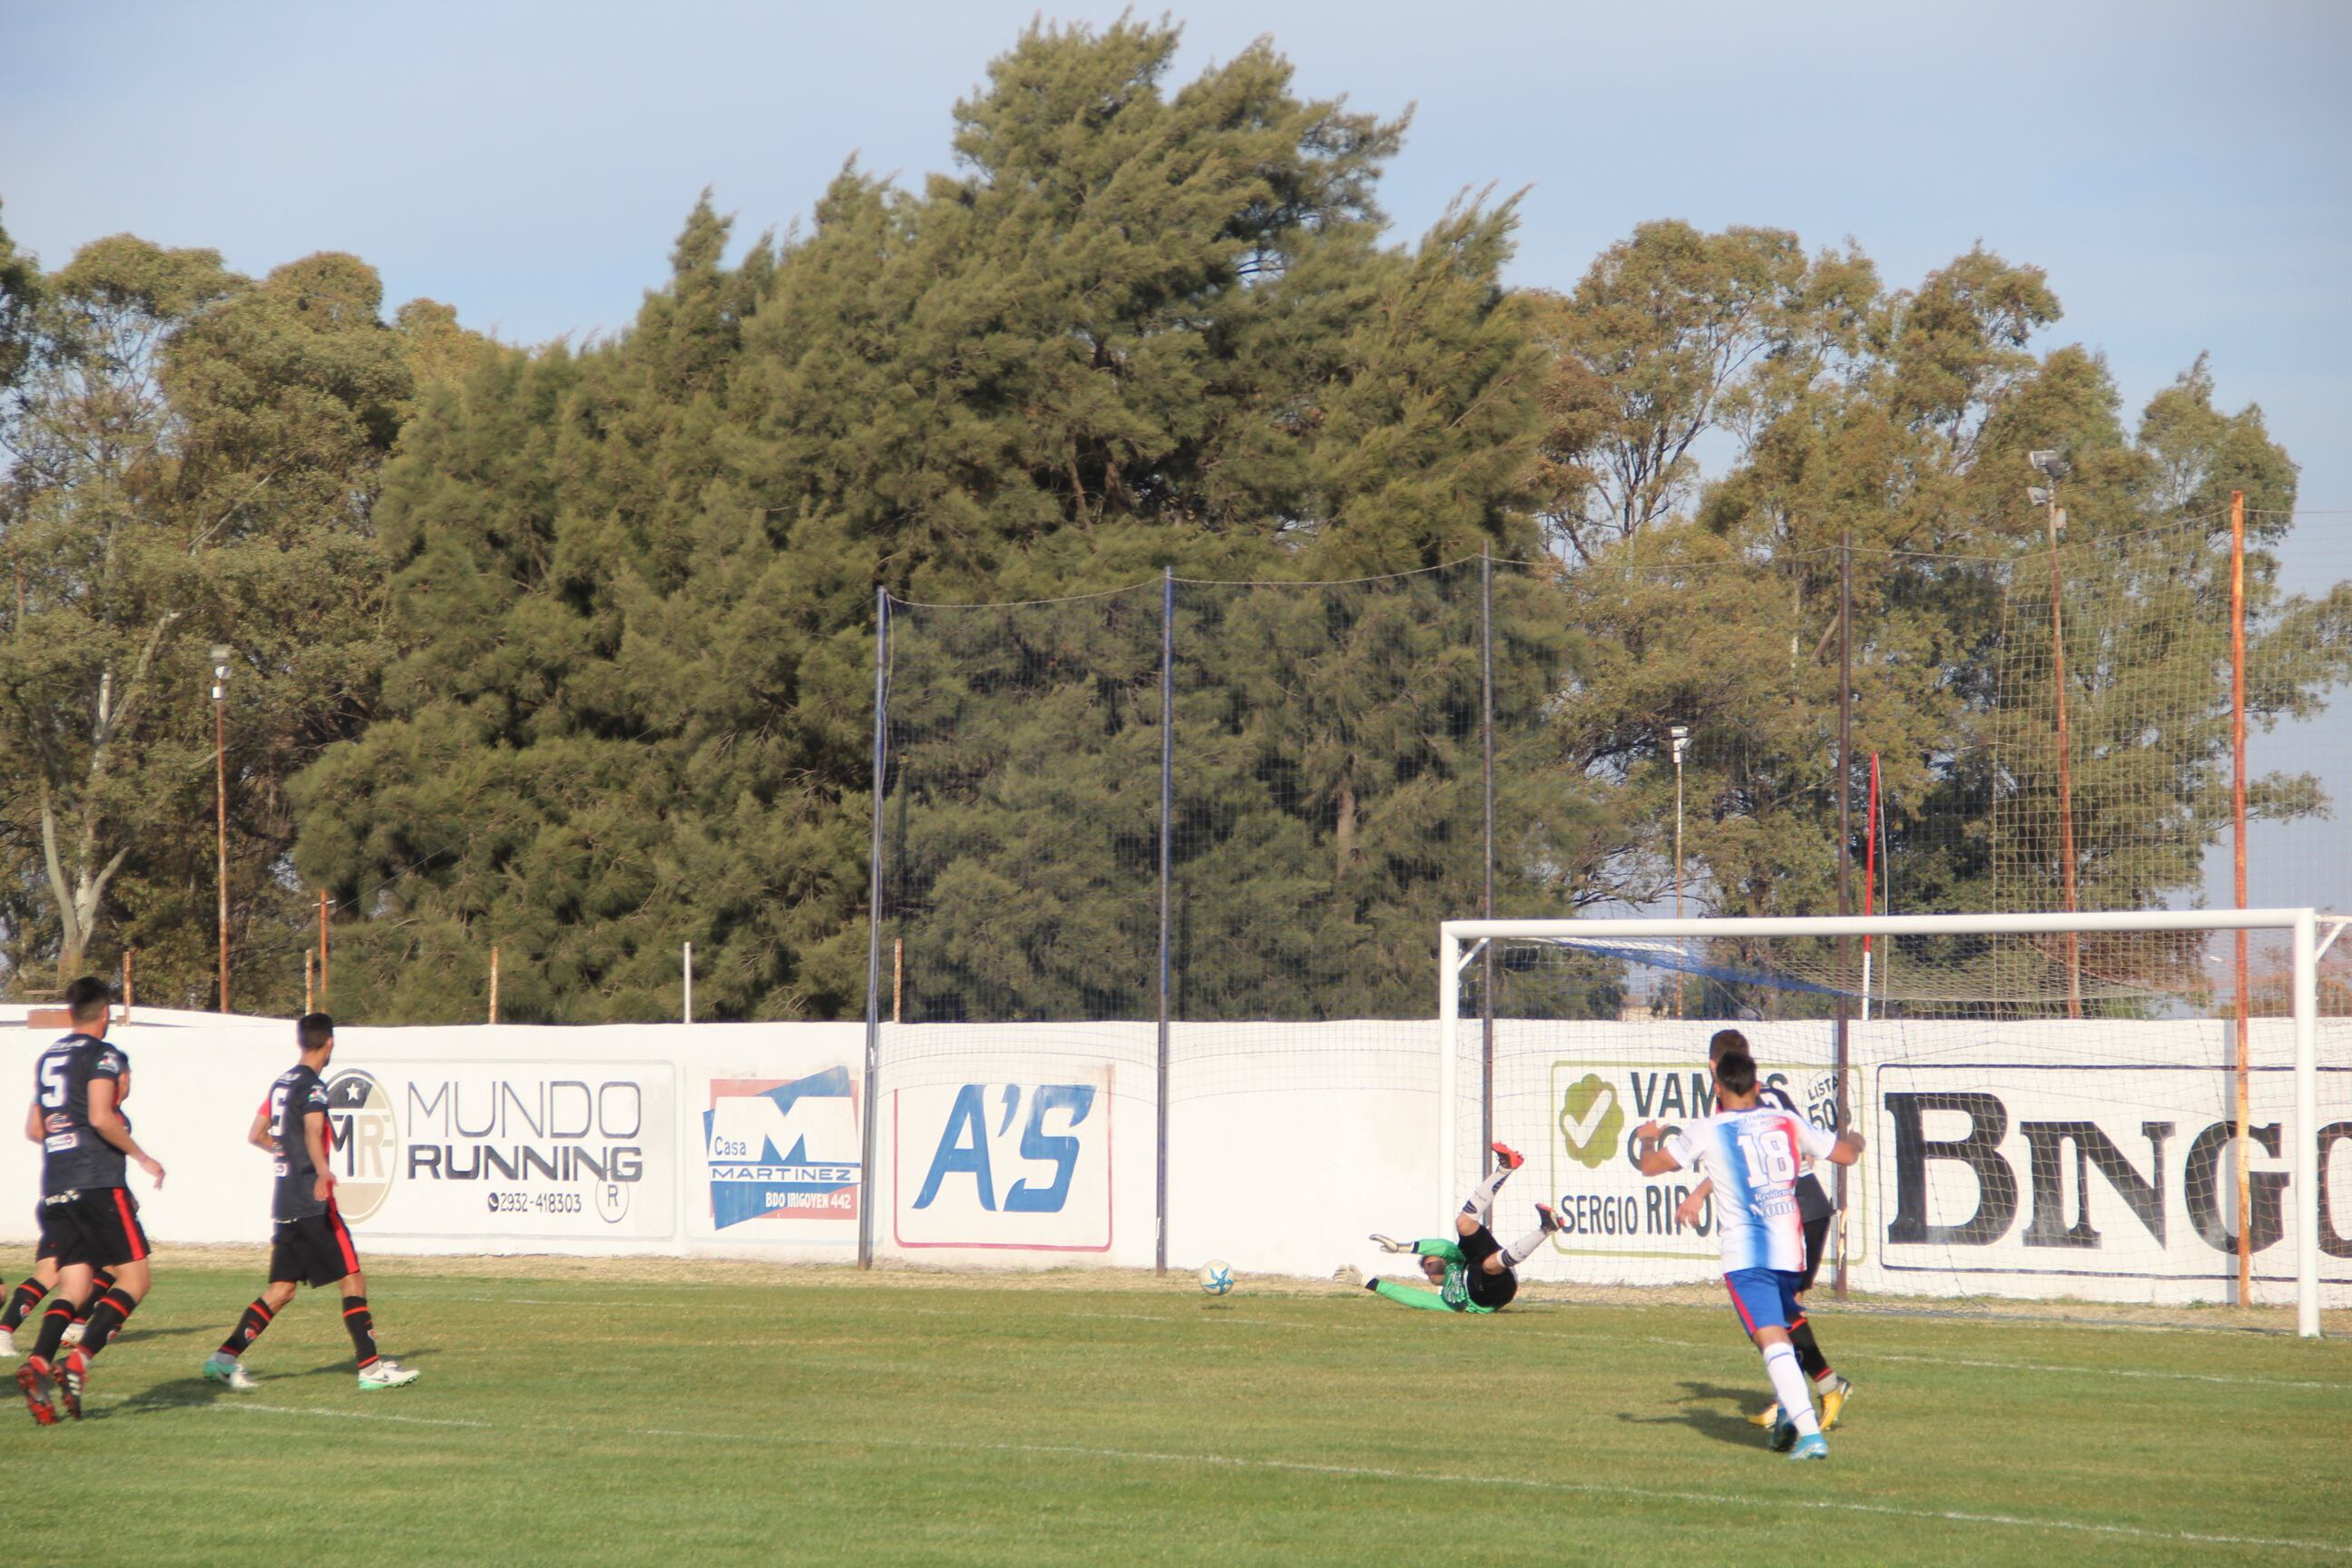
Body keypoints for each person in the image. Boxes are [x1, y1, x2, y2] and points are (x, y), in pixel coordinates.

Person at [1634, 1044, 1863, 1461]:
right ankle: (1796, 1408)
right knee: (1778, 1329)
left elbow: (1651, 1167)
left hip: (1747, 1256)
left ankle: (1809, 1431)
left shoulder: (1708, 1128)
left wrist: (1648, 1140)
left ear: (1717, 1088)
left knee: (1770, 1337)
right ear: (1757, 1086)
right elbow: (1846, 1154)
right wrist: (1856, 1139)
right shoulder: (1786, 1120)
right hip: (1790, 1251)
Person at [201, 1013, 418, 1393]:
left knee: (282, 1290)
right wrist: (320, 1170)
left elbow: (256, 1134)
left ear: (302, 1042)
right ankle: (370, 1368)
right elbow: (315, 1129)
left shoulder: (281, 1083)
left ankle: (223, 1359)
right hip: (312, 1203)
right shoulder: (313, 1087)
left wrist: (287, 1153)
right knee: (352, 1278)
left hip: (285, 1203)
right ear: (329, 1042)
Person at [16, 976, 166, 1424]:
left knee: (75, 1287)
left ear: (69, 1012)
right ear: (105, 1014)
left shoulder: (49, 1057)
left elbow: (36, 1130)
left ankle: (40, 1361)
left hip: (55, 1185)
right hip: (95, 1182)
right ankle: (78, 1362)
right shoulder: (104, 1055)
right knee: (135, 1280)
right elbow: (102, 1116)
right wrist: (141, 1157)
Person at [1362, 1142, 1559, 1313]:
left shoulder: (1455, 1258)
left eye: (1429, 1264)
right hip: (1486, 1297)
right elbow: (1415, 1298)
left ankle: (1506, 1167)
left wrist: (1401, 1248)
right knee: (1489, 1265)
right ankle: (1546, 1230)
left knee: (1463, 1224)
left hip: (1487, 1266)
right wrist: (1370, 1283)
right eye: (1425, 1272)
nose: (1428, 1272)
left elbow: (1443, 1247)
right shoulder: (1447, 1299)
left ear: (1442, 1259)